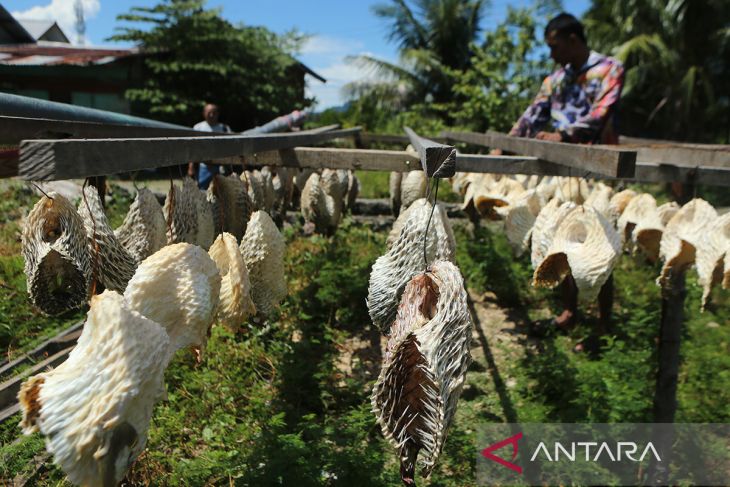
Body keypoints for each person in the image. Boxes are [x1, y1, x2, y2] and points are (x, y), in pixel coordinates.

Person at [507, 13, 625, 351]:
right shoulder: (555, 79)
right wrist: (509, 141)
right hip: (560, 168)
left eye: (554, 45)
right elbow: (533, 114)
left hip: (598, 166)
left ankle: (603, 325)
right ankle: (570, 311)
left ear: (574, 40)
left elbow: (601, 113)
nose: (551, 53)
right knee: (563, 237)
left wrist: (563, 134)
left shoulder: (609, 70)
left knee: (599, 242)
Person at [187, 103, 233, 189]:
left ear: (218, 114)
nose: (211, 115)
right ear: (204, 113)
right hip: (204, 167)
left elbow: (230, 148)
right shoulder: (198, 127)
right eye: (209, 113)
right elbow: (193, 148)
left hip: (221, 167)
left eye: (214, 113)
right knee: (202, 190)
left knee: (223, 191)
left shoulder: (225, 129)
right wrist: (191, 166)